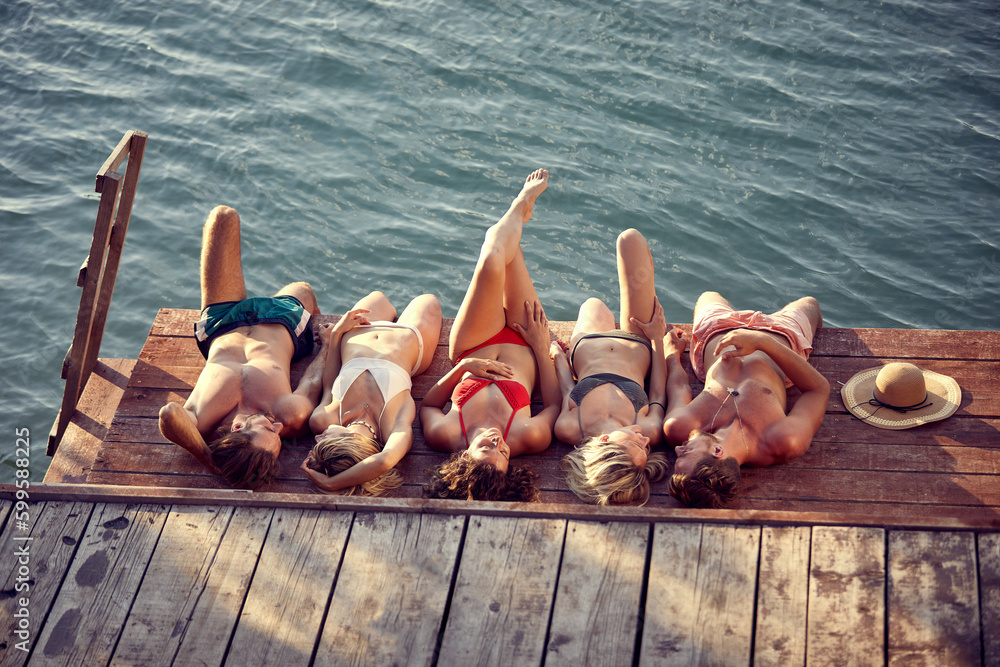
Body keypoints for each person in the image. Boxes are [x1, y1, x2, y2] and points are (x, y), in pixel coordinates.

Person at [158, 205, 328, 489]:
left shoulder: (201, 420)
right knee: (303, 290)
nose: (278, 427)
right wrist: (327, 344)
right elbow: (312, 379)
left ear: (237, 428)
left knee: (223, 216)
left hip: (222, 322)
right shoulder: (288, 415)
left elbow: (169, 415)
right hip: (280, 320)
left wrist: (208, 460)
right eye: (278, 436)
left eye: (268, 429)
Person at [420, 169, 562, 502]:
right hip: (526, 341)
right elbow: (555, 404)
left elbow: (428, 404)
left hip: (473, 343)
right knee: (510, 256)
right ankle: (518, 214)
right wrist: (543, 348)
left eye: (487, 448)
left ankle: (520, 204)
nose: (499, 442)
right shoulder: (530, 436)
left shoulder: (445, 434)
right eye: (504, 453)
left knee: (492, 261)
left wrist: (463, 367)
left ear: (464, 457)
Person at [663, 291, 830, 508]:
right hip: (781, 335)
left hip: (717, 329)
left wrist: (671, 356)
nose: (677, 449)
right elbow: (818, 390)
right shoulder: (784, 440)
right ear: (717, 452)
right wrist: (762, 342)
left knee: (707, 295)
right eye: (685, 453)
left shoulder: (679, 427)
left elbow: (679, 387)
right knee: (811, 303)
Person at [556, 228, 670, 506]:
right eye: (646, 447)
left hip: (587, 344)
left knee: (593, 304)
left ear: (606, 441)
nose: (645, 442)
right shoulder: (647, 427)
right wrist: (657, 338)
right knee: (629, 240)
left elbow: (567, 389)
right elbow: (657, 391)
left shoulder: (570, 428)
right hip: (638, 340)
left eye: (636, 445)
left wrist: (558, 357)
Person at [301, 290, 442, 496]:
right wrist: (332, 484)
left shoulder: (323, 418)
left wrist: (338, 334)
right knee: (428, 299)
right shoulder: (391, 428)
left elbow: (330, 383)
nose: (316, 438)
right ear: (350, 441)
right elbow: (385, 460)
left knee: (378, 296)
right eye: (322, 441)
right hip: (411, 336)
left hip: (356, 332)